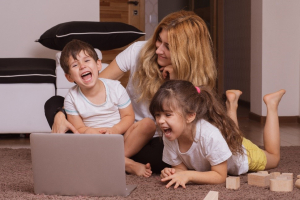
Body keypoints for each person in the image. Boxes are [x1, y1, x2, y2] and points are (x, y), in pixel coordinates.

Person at [45, 10, 237, 174]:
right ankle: (114, 158)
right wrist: (61, 114)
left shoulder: (196, 79)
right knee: (52, 103)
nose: (159, 50)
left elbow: (195, 129)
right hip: (119, 128)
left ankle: (99, 157)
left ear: (187, 52)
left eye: (168, 47)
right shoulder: (138, 51)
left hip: (156, 138)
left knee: (166, 157)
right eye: (159, 41)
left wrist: (175, 80)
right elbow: (95, 84)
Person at [149, 80, 285, 188]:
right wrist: (173, 173)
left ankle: (271, 104)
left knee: (274, 157)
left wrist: (188, 176)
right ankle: (232, 103)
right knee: (232, 134)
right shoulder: (170, 135)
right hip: (224, 141)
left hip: (242, 154)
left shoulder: (209, 135)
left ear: (190, 116)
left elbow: (220, 175)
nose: (160, 121)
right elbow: (180, 169)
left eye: (167, 114)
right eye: (157, 115)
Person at [59, 39, 152, 177]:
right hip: (93, 142)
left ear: (98, 65)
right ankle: (125, 163)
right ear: (69, 77)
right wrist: (94, 132)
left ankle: (110, 159)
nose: (82, 66)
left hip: (121, 137)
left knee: (148, 124)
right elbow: (78, 129)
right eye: (75, 65)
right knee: (88, 134)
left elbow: (128, 117)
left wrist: (115, 130)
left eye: (86, 60)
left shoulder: (115, 87)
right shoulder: (71, 97)